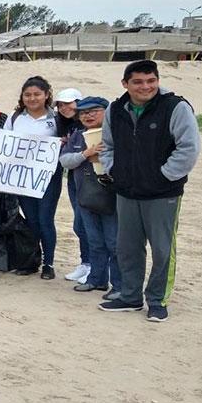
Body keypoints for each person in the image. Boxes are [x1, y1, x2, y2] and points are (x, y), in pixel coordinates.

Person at [98, 60, 200, 322]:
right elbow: (107, 145)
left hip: (163, 194)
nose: (146, 86)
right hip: (126, 191)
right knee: (128, 248)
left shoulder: (175, 107)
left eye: (151, 80)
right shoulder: (115, 109)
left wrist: (163, 176)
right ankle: (130, 296)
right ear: (125, 84)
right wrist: (114, 170)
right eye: (138, 82)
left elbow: (188, 148)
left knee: (163, 250)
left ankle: (157, 300)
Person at [59, 97, 120, 300]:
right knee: (94, 241)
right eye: (84, 112)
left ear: (106, 112)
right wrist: (85, 154)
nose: (88, 115)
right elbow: (65, 160)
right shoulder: (77, 135)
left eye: (94, 111)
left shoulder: (117, 133)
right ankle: (97, 280)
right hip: (85, 198)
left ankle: (119, 285)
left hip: (112, 199)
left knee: (114, 243)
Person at [4, 76, 63, 280]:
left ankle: (49, 263)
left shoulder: (56, 118)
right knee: (31, 220)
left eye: (37, 94)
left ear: (46, 95)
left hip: (48, 178)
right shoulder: (14, 117)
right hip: (23, 178)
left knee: (45, 219)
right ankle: (32, 260)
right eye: (27, 95)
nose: (32, 98)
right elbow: (4, 143)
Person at [54, 87, 92, 284]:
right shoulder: (66, 126)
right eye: (60, 105)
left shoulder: (89, 124)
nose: (64, 108)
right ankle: (86, 263)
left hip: (92, 180)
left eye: (68, 103)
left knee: (90, 224)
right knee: (80, 224)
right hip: (74, 178)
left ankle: (96, 266)